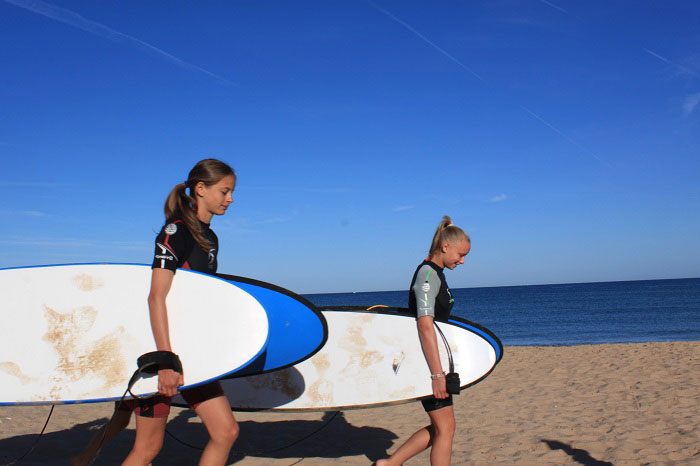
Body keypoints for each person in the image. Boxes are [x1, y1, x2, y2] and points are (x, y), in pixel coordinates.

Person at [116, 158, 239, 465]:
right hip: (162, 354)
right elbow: (156, 298)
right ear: (201, 189)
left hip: (192, 352)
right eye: (224, 191)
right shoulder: (175, 232)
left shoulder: (209, 237)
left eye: (231, 192)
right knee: (147, 449)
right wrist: (166, 360)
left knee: (225, 432)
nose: (230, 198)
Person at [377, 216, 471, 466]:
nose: (462, 261)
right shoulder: (427, 275)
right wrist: (436, 375)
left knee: (443, 427)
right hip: (426, 363)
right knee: (446, 428)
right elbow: (424, 324)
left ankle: (388, 464)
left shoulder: (435, 272)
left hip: (432, 360)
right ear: (445, 246)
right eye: (460, 255)